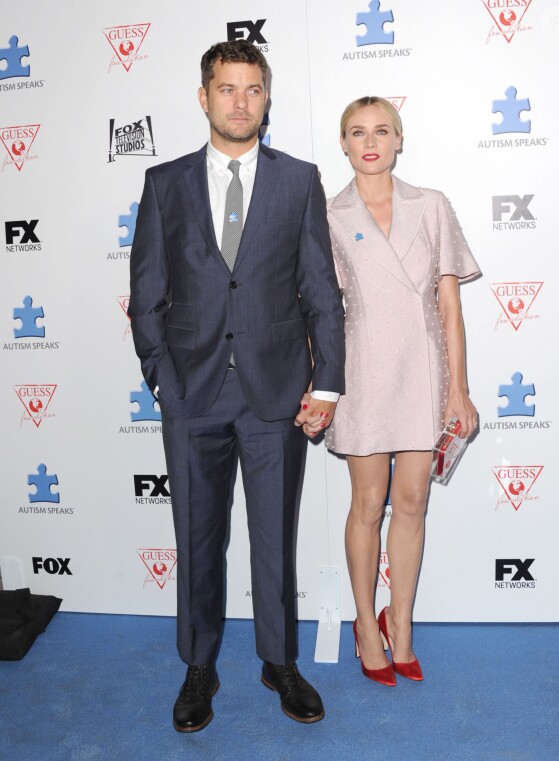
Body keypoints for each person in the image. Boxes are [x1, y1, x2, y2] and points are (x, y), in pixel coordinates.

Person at [128, 40, 345, 731]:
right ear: (203, 96)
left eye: (253, 89)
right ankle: (199, 664)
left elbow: (321, 293)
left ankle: (279, 660)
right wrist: (161, 378)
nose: (240, 102)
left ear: (267, 97)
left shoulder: (298, 180)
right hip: (191, 394)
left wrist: (328, 386)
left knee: (273, 538)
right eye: (227, 89)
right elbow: (146, 292)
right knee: (197, 537)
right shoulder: (165, 184)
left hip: (276, 392)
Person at [321, 96, 480, 686]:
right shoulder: (329, 214)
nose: (370, 142)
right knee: (368, 504)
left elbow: (449, 305)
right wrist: (321, 387)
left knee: (412, 502)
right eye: (357, 132)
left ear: (400, 139)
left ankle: (402, 623)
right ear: (342, 143)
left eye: (382, 130)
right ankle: (366, 624)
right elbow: (321, 312)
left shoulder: (431, 205)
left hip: (424, 371)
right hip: (362, 373)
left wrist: (458, 390)